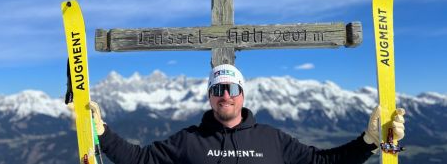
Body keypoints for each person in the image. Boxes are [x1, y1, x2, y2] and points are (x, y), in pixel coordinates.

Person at [89, 64, 406, 164]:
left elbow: (323, 162)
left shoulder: (273, 139)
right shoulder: (188, 140)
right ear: (210, 97)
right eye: (217, 89)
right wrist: (102, 132)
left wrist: (368, 142)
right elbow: (140, 160)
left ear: (242, 94)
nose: (224, 95)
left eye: (230, 88)